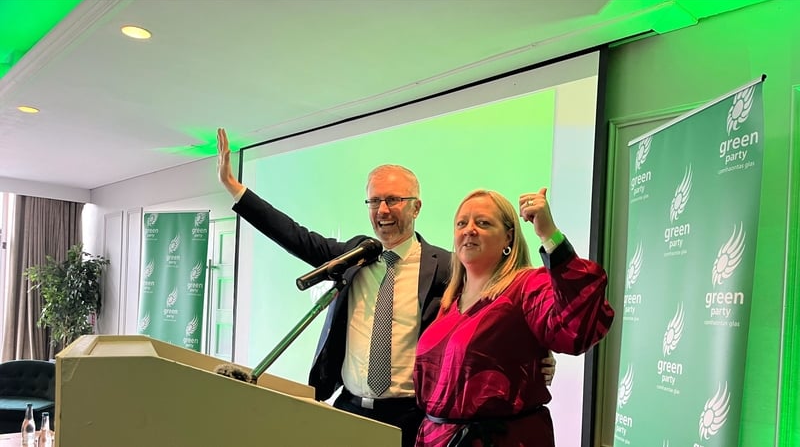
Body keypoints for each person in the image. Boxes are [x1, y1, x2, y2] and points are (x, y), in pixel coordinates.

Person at [215, 128, 556, 447]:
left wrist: (538, 354)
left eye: (393, 200)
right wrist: (234, 187)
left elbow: (498, 310)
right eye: (374, 201)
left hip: (412, 416)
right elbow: (294, 235)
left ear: (416, 207)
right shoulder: (355, 256)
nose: (383, 210)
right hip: (349, 408)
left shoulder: (450, 266)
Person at [414, 188, 614, 447]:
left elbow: (575, 325)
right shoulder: (450, 301)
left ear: (509, 237)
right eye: (461, 223)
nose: (469, 229)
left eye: (483, 223)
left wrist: (549, 234)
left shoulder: (526, 286)